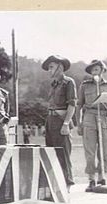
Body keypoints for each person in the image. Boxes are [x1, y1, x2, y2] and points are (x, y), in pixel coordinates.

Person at [76, 60, 107, 192]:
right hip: (89, 117)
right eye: (92, 69)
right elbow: (79, 105)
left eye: (97, 69)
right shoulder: (85, 85)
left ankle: (102, 177)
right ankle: (91, 179)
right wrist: (79, 123)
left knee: (105, 149)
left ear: (102, 70)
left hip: (105, 117)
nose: (95, 71)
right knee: (90, 150)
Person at [41, 55, 76, 191]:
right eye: (49, 67)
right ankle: (55, 185)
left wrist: (66, 123)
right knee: (51, 153)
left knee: (63, 154)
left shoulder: (69, 83)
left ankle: (66, 185)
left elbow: (72, 105)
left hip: (61, 121)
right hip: (50, 120)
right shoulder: (53, 84)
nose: (49, 70)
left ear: (60, 67)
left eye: (51, 67)